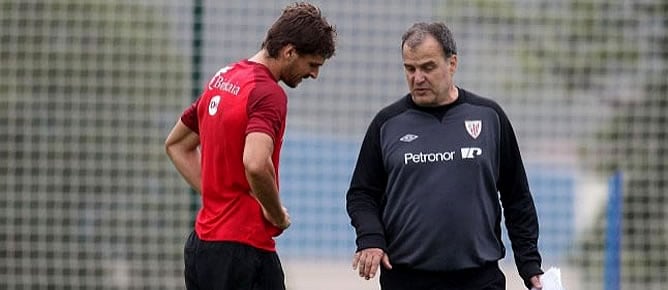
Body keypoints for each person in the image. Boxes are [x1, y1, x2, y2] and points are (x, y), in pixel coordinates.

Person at [346, 22, 544, 290]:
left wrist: (529, 265)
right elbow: (362, 194)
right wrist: (370, 237)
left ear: (452, 63)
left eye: (428, 67)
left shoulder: (488, 116)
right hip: (407, 279)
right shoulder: (387, 124)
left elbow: (516, 196)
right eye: (410, 68)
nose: (418, 78)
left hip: (479, 278)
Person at [164, 2, 336, 289]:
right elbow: (255, 163)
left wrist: (220, 194)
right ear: (289, 51)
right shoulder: (268, 93)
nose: (314, 74)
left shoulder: (225, 77)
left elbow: (177, 144)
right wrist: (276, 213)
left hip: (202, 247)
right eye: (312, 64)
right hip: (243, 249)